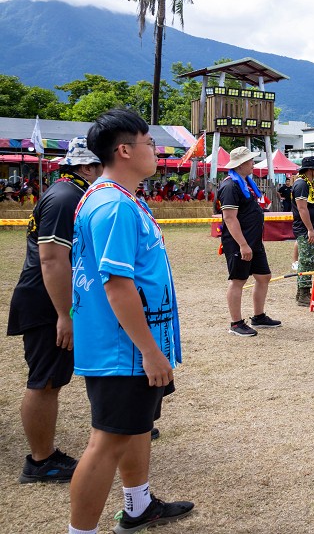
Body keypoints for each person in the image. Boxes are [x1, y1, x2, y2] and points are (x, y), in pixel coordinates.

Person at [68, 109, 193, 534]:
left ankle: (138, 506)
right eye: (150, 144)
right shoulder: (113, 205)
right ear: (124, 150)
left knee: (137, 427)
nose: (156, 151)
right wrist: (150, 351)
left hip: (130, 346)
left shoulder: (119, 198)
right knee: (107, 443)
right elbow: (117, 287)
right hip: (124, 349)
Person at [7, 137, 101, 484]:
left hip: (56, 300)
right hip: (47, 302)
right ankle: (40, 460)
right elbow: (51, 258)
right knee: (45, 381)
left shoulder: (72, 193)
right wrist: (65, 314)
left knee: (54, 377)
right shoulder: (66, 198)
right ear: (87, 167)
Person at [217, 147, 281, 338]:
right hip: (239, 242)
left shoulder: (246, 182)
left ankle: (258, 316)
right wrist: (243, 245)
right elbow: (229, 218)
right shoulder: (230, 186)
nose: (253, 163)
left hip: (254, 241)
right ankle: (236, 323)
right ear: (241, 164)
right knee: (238, 280)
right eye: (250, 160)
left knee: (263, 276)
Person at [291, 156, 314, 304]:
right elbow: (302, 208)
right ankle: (303, 294)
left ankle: (304, 293)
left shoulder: (311, 184)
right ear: (310, 170)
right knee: (306, 261)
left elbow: (312, 205)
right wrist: (310, 229)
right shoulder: (301, 184)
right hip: (305, 229)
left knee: (311, 260)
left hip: (313, 227)